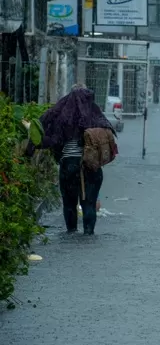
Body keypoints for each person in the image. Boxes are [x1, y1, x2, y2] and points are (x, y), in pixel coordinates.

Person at [24, 85, 116, 235]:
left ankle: (71, 231)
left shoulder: (63, 117)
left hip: (69, 166)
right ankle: (88, 232)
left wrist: (32, 145)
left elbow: (52, 140)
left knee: (69, 203)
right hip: (92, 167)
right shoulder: (95, 115)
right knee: (89, 204)